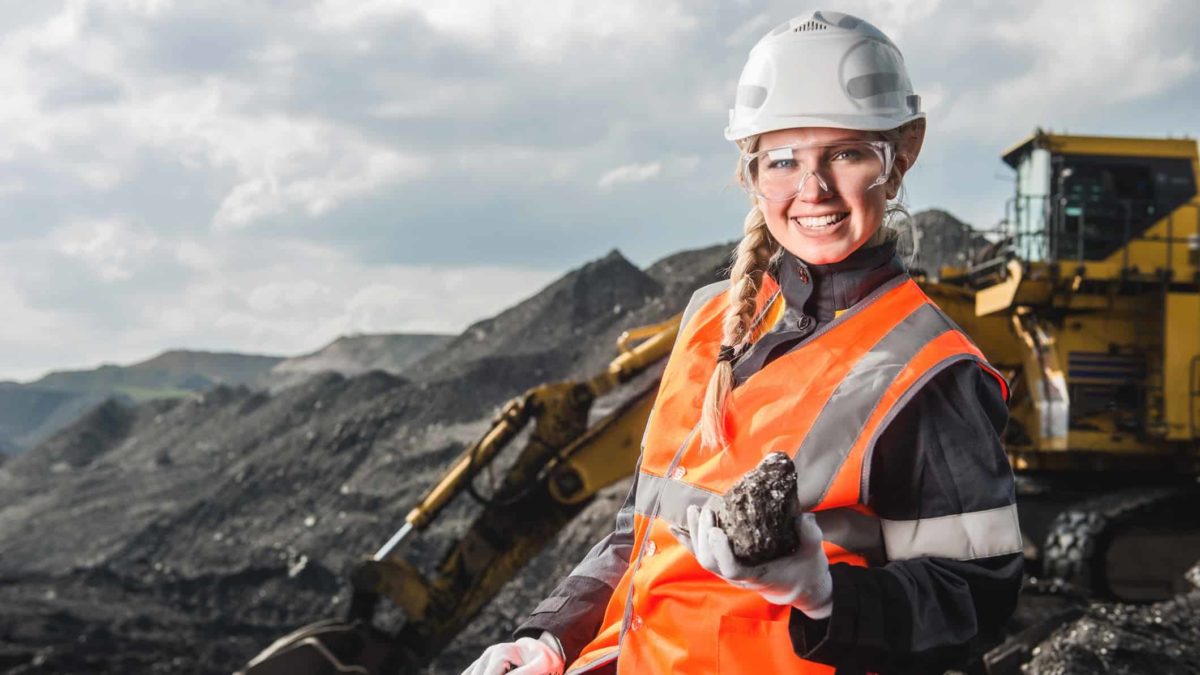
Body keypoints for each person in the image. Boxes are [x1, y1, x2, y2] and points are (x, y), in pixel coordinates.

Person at [463, 10, 1022, 675]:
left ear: (900, 158)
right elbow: (644, 526)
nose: (812, 189)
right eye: (784, 159)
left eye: (844, 152)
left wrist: (823, 593)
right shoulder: (709, 319)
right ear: (752, 171)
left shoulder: (933, 371)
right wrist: (552, 636)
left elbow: (974, 596)